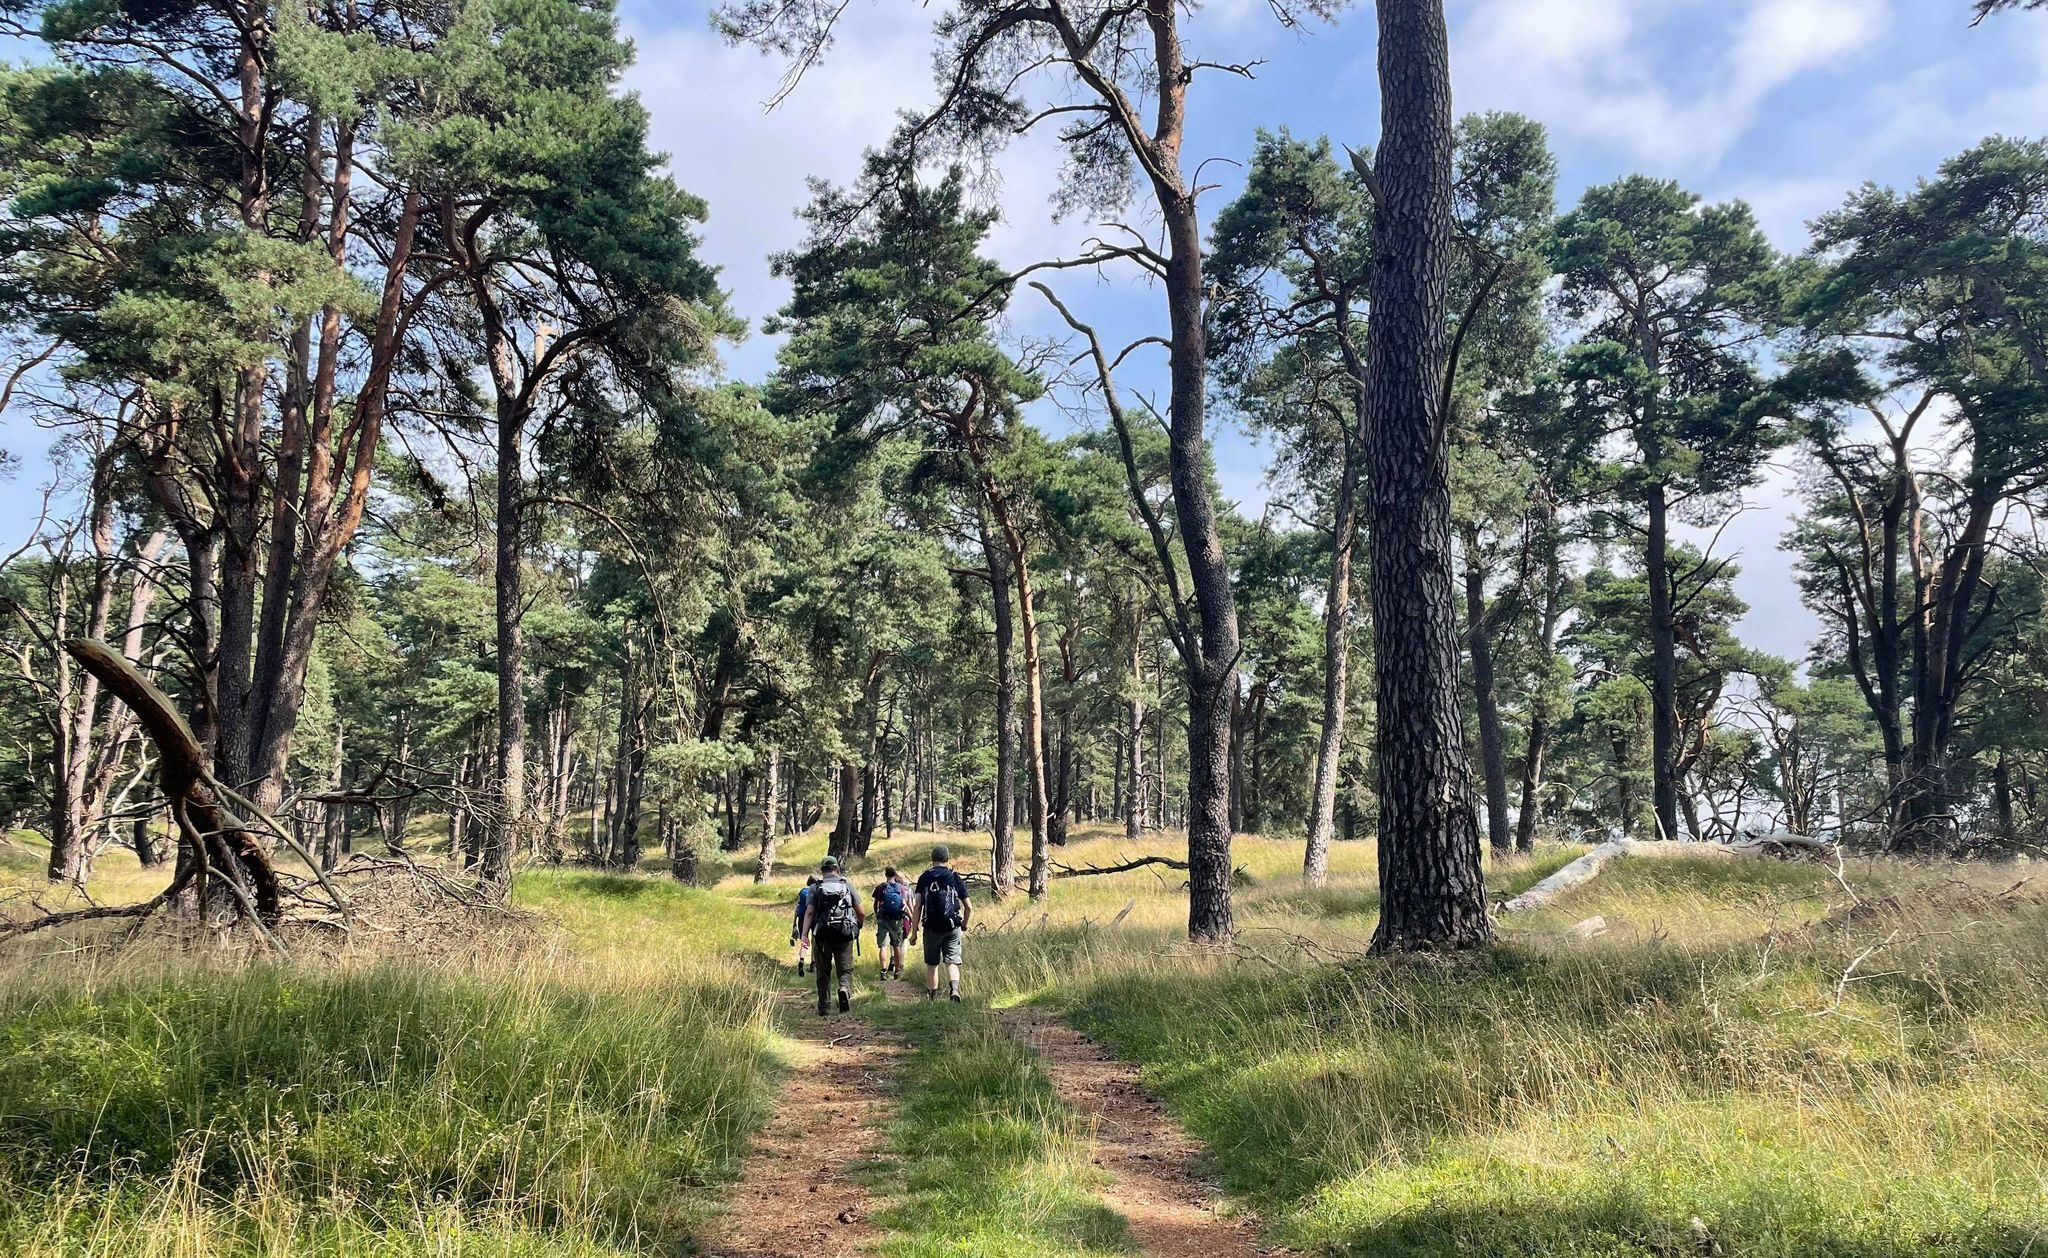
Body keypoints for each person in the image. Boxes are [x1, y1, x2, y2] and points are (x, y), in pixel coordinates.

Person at [802, 855, 865, 1015]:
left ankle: (824, 1006)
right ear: (836, 868)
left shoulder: (815, 888)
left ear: (822, 870)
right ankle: (844, 989)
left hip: (822, 935)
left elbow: (809, 912)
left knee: (823, 971)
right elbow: (861, 912)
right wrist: (858, 925)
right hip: (844, 933)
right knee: (845, 969)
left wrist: (804, 935)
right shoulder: (846, 885)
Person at [909, 844, 971, 1001]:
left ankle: (932, 997)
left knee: (932, 963)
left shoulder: (924, 878)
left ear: (932, 858)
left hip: (931, 928)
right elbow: (968, 906)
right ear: (947, 858)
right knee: (952, 961)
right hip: (952, 926)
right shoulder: (954, 876)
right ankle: (954, 990)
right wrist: (964, 923)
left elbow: (917, 906)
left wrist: (914, 931)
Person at [871, 866, 911, 979]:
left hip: (883, 919)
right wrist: (911, 917)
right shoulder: (901, 888)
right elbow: (904, 903)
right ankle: (897, 971)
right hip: (897, 919)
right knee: (897, 945)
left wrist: (877, 914)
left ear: (886, 875)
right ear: (895, 875)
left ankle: (883, 971)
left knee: (883, 946)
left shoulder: (880, 887)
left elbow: (876, 903)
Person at [790, 874, 820, 976]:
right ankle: (813, 963)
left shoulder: (803, 891)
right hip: (815, 917)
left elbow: (797, 907)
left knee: (804, 939)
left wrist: (794, 923)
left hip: (802, 917)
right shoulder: (817, 891)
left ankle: (801, 960)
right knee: (814, 940)